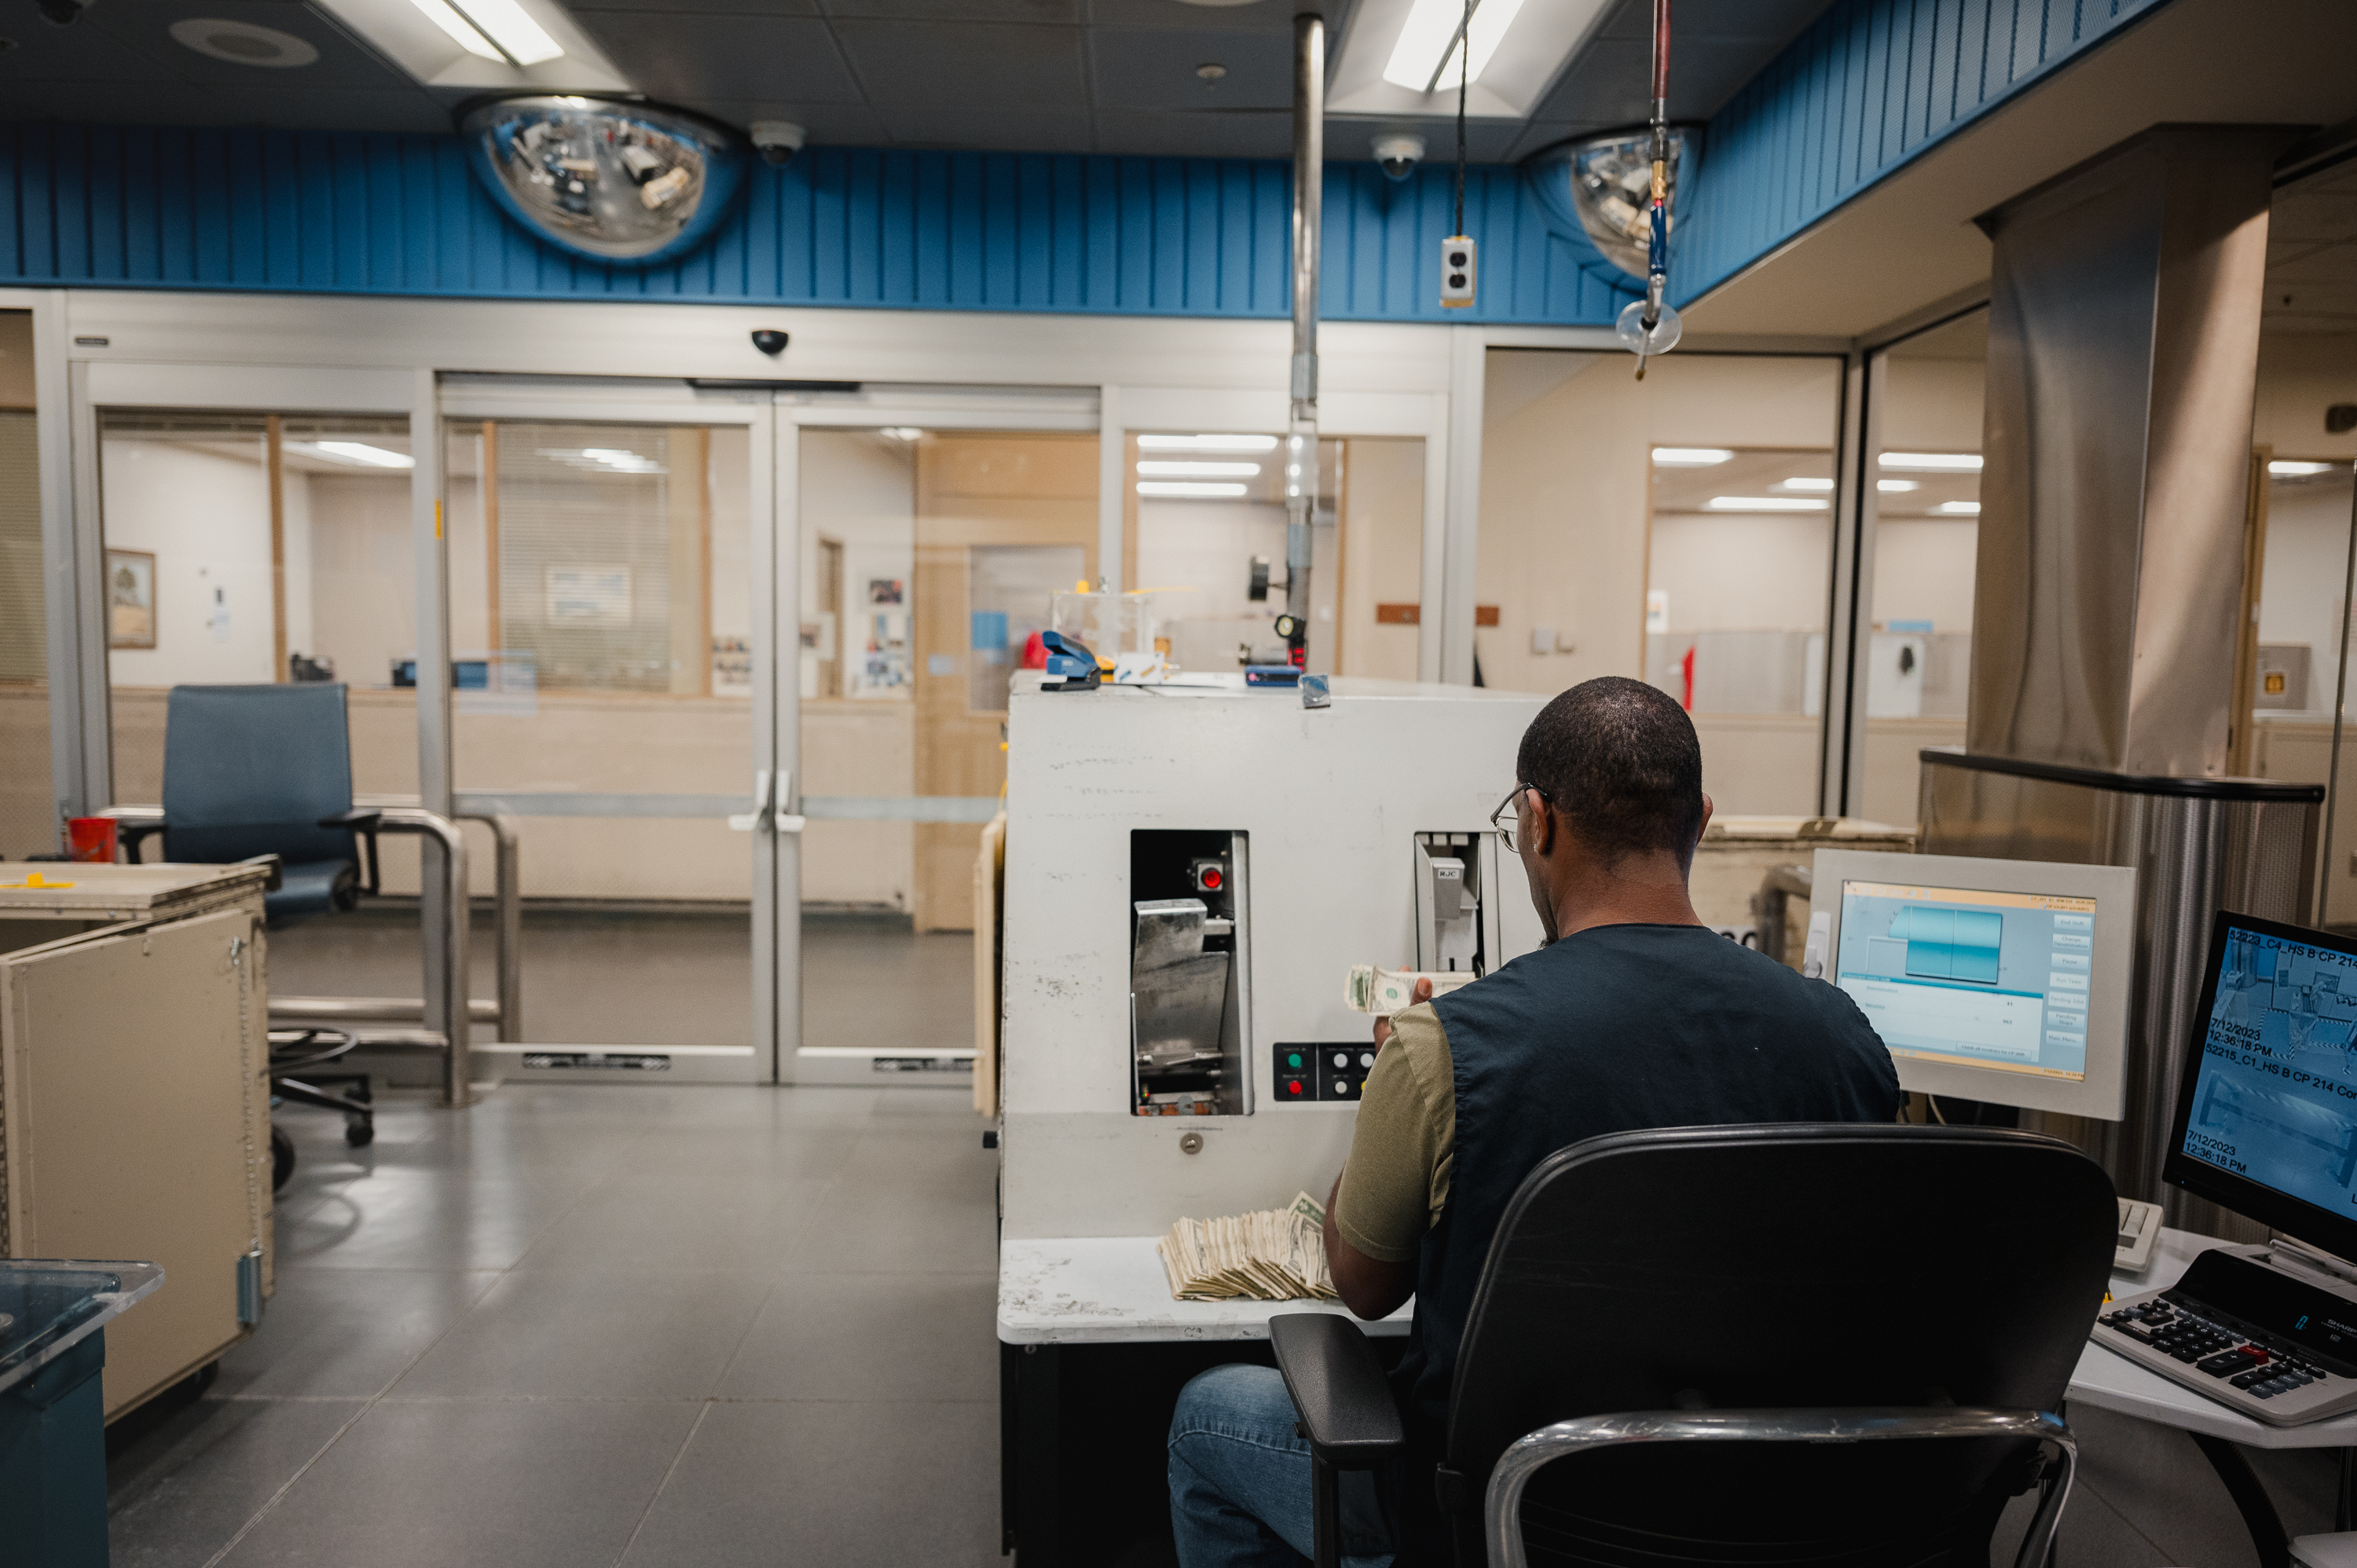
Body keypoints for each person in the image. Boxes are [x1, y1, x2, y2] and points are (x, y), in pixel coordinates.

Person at [1166, 676, 1903, 1568]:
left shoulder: (1444, 1044)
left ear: (1539, 822)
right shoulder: (1844, 1036)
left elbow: (1363, 1288)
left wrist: (1372, 1136)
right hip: (1791, 1515)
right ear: (1701, 820)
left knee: (1210, 1412)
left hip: (1510, 1521)